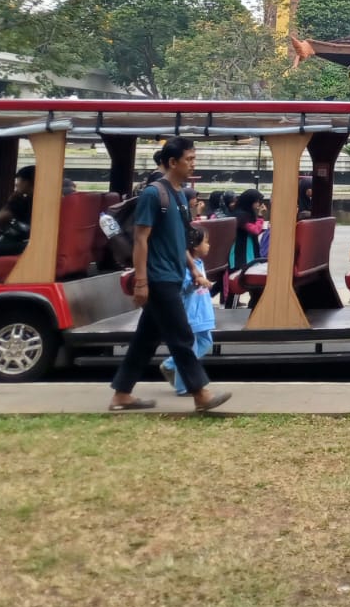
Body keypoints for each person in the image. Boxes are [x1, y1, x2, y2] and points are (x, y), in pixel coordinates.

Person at [108, 138, 231, 413]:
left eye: (194, 158)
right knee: (181, 335)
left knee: (146, 339)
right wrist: (141, 282)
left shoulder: (178, 194)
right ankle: (201, 393)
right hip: (158, 277)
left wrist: (193, 270)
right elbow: (141, 240)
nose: (193, 164)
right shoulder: (154, 194)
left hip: (174, 275)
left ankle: (122, 394)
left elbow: (179, 240)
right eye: (189, 159)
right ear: (172, 162)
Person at [160, 230, 217, 394]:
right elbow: (184, 288)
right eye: (205, 242)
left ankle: (171, 364)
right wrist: (196, 284)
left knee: (205, 343)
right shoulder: (185, 268)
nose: (208, 245)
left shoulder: (198, 264)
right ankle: (182, 386)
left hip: (202, 312)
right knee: (189, 349)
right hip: (191, 313)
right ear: (194, 246)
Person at [222, 188, 266, 308]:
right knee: (236, 282)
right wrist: (261, 216)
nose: (258, 205)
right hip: (240, 253)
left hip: (249, 250)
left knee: (252, 285)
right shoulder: (241, 215)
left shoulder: (246, 213)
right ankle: (229, 309)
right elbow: (255, 230)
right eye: (257, 201)